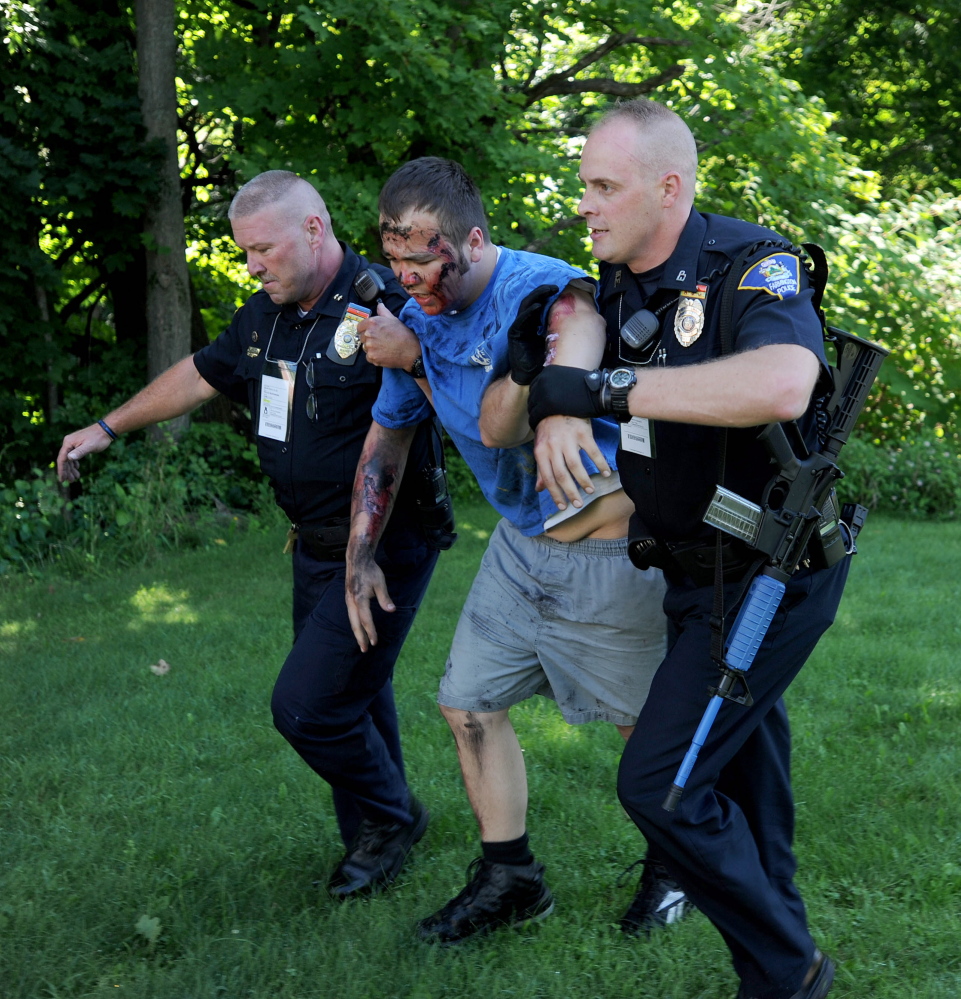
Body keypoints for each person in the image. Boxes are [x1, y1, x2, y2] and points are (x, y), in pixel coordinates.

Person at [526, 99, 845, 999]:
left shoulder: (752, 266)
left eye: (601, 185)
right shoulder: (623, 267)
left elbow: (784, 383)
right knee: (742, 761)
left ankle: (789, 971)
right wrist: (561, 397)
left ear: (667, 188)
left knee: (661, 783)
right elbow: (581, 312)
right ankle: (777, 917)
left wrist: (608, 391)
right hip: (690, 570)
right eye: (582, 182)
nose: (582, 202)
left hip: (769, 572)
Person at [56, 170, 443, 900]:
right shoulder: (264, 316)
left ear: (313, 228)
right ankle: (377, 835)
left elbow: (443, 401)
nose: (252, 265)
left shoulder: (383, 305)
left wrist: (420, 358)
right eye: (244, 253)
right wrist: (107, 427)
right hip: (313, 545)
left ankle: (394, 818)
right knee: (354, 692)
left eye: (263, 248)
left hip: (385, 540)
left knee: (306, 706)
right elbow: (201, 375)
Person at [344, 156, 679, 945]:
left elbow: (575, 330)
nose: (407, 278)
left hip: (606, 546)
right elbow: (391, 432)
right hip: (520, 547)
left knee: (643, 731)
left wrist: (558, 399)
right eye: (394, 262)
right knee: (466, 704)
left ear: (473, 239)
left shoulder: (541, 289)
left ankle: (678, 868)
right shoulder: (412, 321)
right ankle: (510, 876)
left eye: (422, 260)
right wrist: (361, 548)